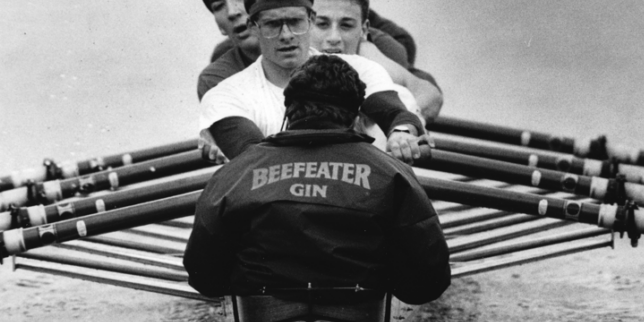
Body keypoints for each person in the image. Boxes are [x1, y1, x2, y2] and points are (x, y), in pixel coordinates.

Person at [184, 55, 451, 304]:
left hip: (264, 311)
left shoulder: (235, 172)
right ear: (356, 117)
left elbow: (204, 278)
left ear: (287, 112)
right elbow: (428, 283)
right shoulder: (392, 173)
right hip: (359, 309)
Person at [198, 0, 426, 164]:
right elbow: (257, 160)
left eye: (295, 21)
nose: (286, 35)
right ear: (253, 27)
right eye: (273, 25)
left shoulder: (359, 70)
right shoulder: (224, 96)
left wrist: (401, 133)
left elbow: (397, 115)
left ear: (311, 19)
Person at [309, 0, 443, 122]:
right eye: (322, 24)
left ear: (364, 30)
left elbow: (429, 94)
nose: (334, 37)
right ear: (305, 24)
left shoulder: (369, 58)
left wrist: (407, 125)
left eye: (346, 25)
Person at [196, 0, 261, 99]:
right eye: (218, 6)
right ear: (220, 26)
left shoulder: (311, 53)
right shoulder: (215, 81)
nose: (232, 12)